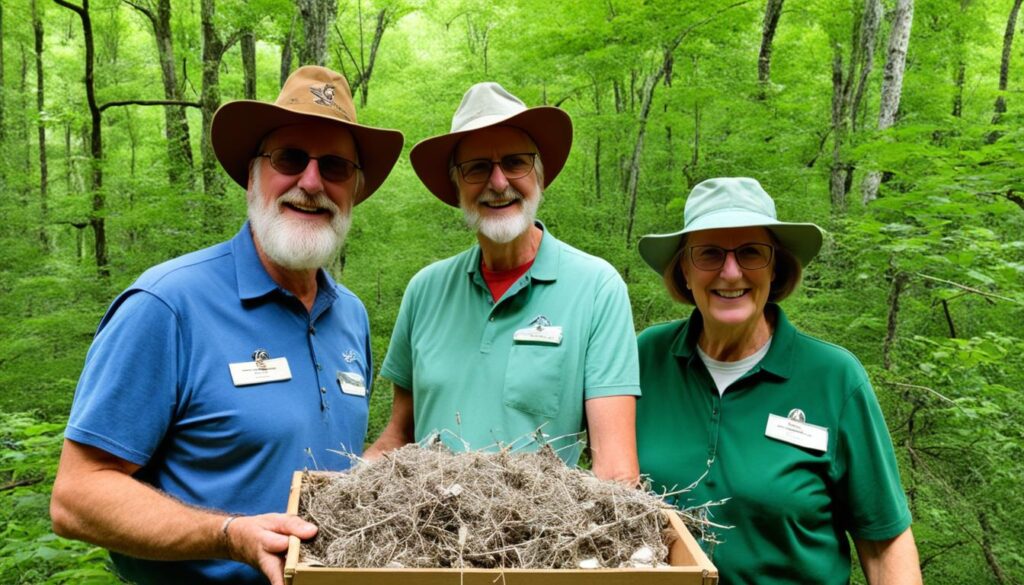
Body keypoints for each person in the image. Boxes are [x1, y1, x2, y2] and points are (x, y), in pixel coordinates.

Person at [49, 66, 403, 585]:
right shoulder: (168, 304)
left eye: (335, 167)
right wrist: (230, 535)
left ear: (354, 190)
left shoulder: (349, 314)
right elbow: (77, 497)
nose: (311, 182)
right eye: (289, 159)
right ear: (253, 175)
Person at [634, 177, 922, 584]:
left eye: (751, 253)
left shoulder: (834, 378)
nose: (730, 272)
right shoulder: (644, 358)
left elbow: (885, 544)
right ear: (683, 268)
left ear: (776, 266)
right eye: (709, 254)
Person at [364, 82, 640, 483]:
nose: (497, 183)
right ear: (456, 184)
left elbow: (615, 472)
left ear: (540, 176)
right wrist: (333, 495)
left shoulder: (596, 288)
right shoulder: (425, 290)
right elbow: (399, 437)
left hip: (542, 541)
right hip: (424, 538)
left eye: (515, 163)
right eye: (477, 167)